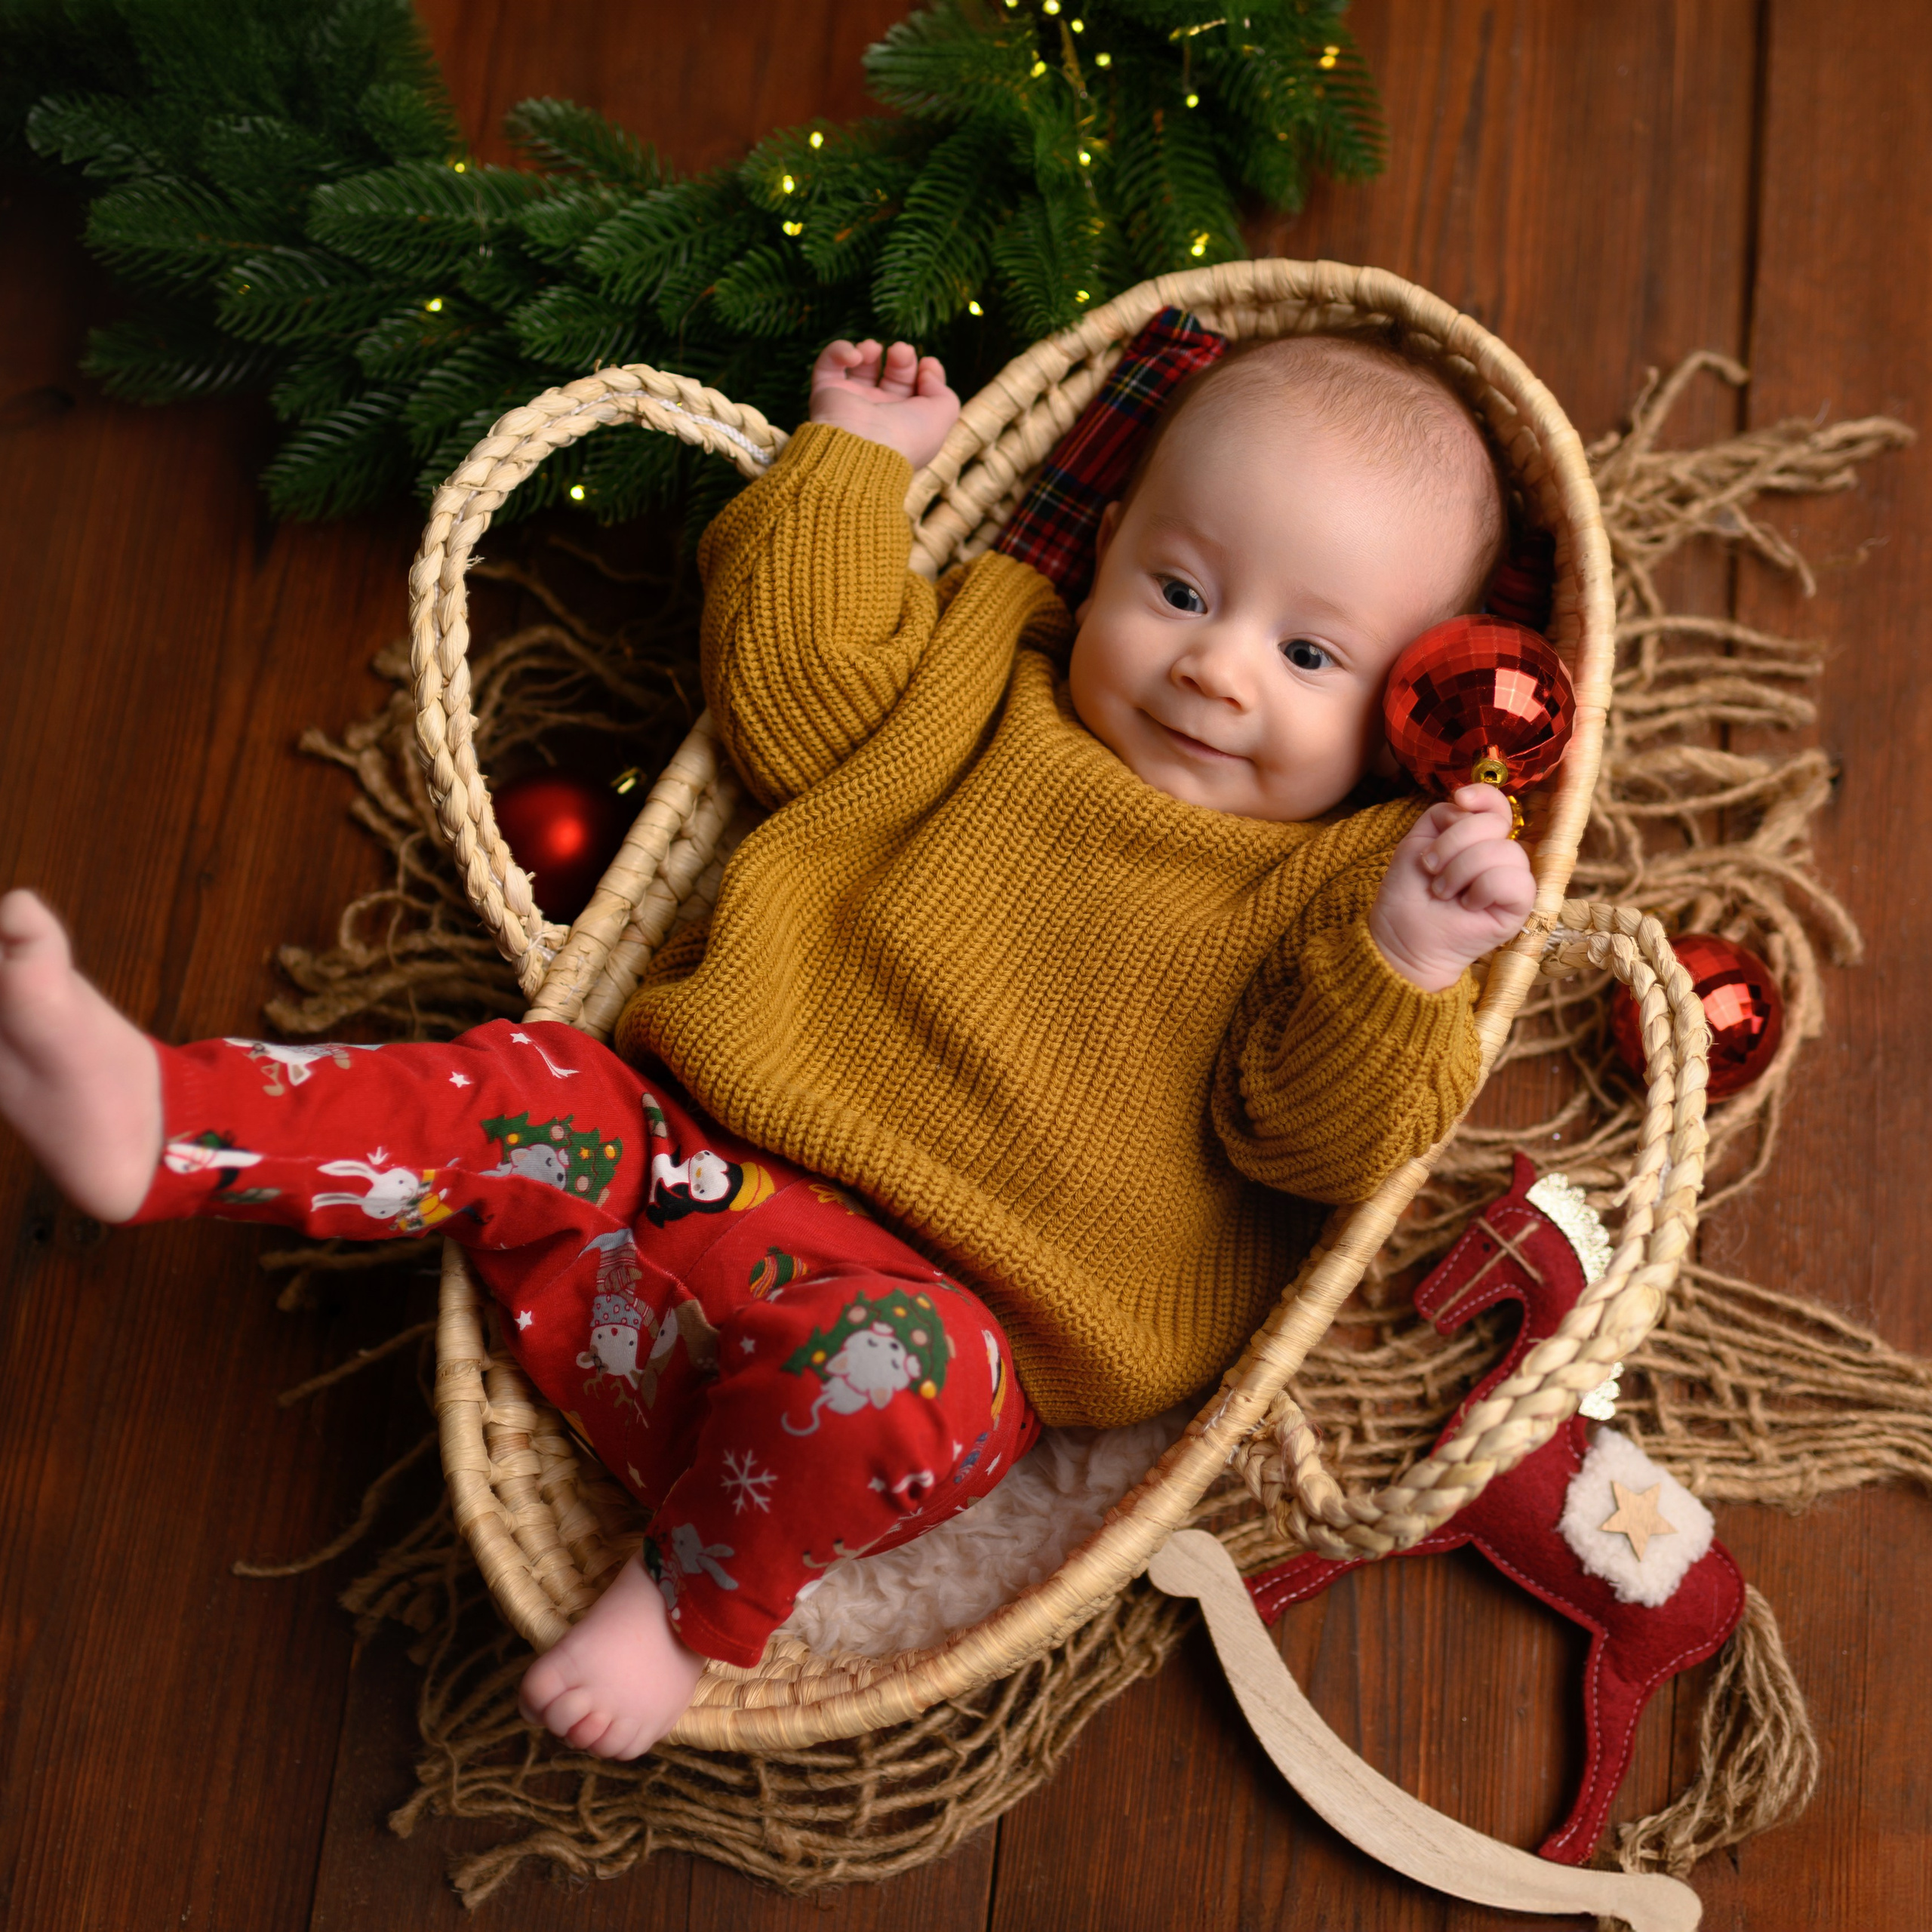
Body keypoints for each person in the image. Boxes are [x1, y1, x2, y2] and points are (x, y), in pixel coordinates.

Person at [0, 328, 1535, 1762]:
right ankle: (168, 1121)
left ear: (1409, 710)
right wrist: (854, 465)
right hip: (662, 1196)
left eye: (1309, 657)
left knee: (891, 1369)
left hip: (932, 1338)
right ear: (1110, 542)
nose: (1216, 667)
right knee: (521, 1083)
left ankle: (687, 1600)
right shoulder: (992, 663)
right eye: (1180, 590)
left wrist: (1409, 956)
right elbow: (786, 707)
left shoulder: (1340, 890)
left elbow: (1319, 1142)